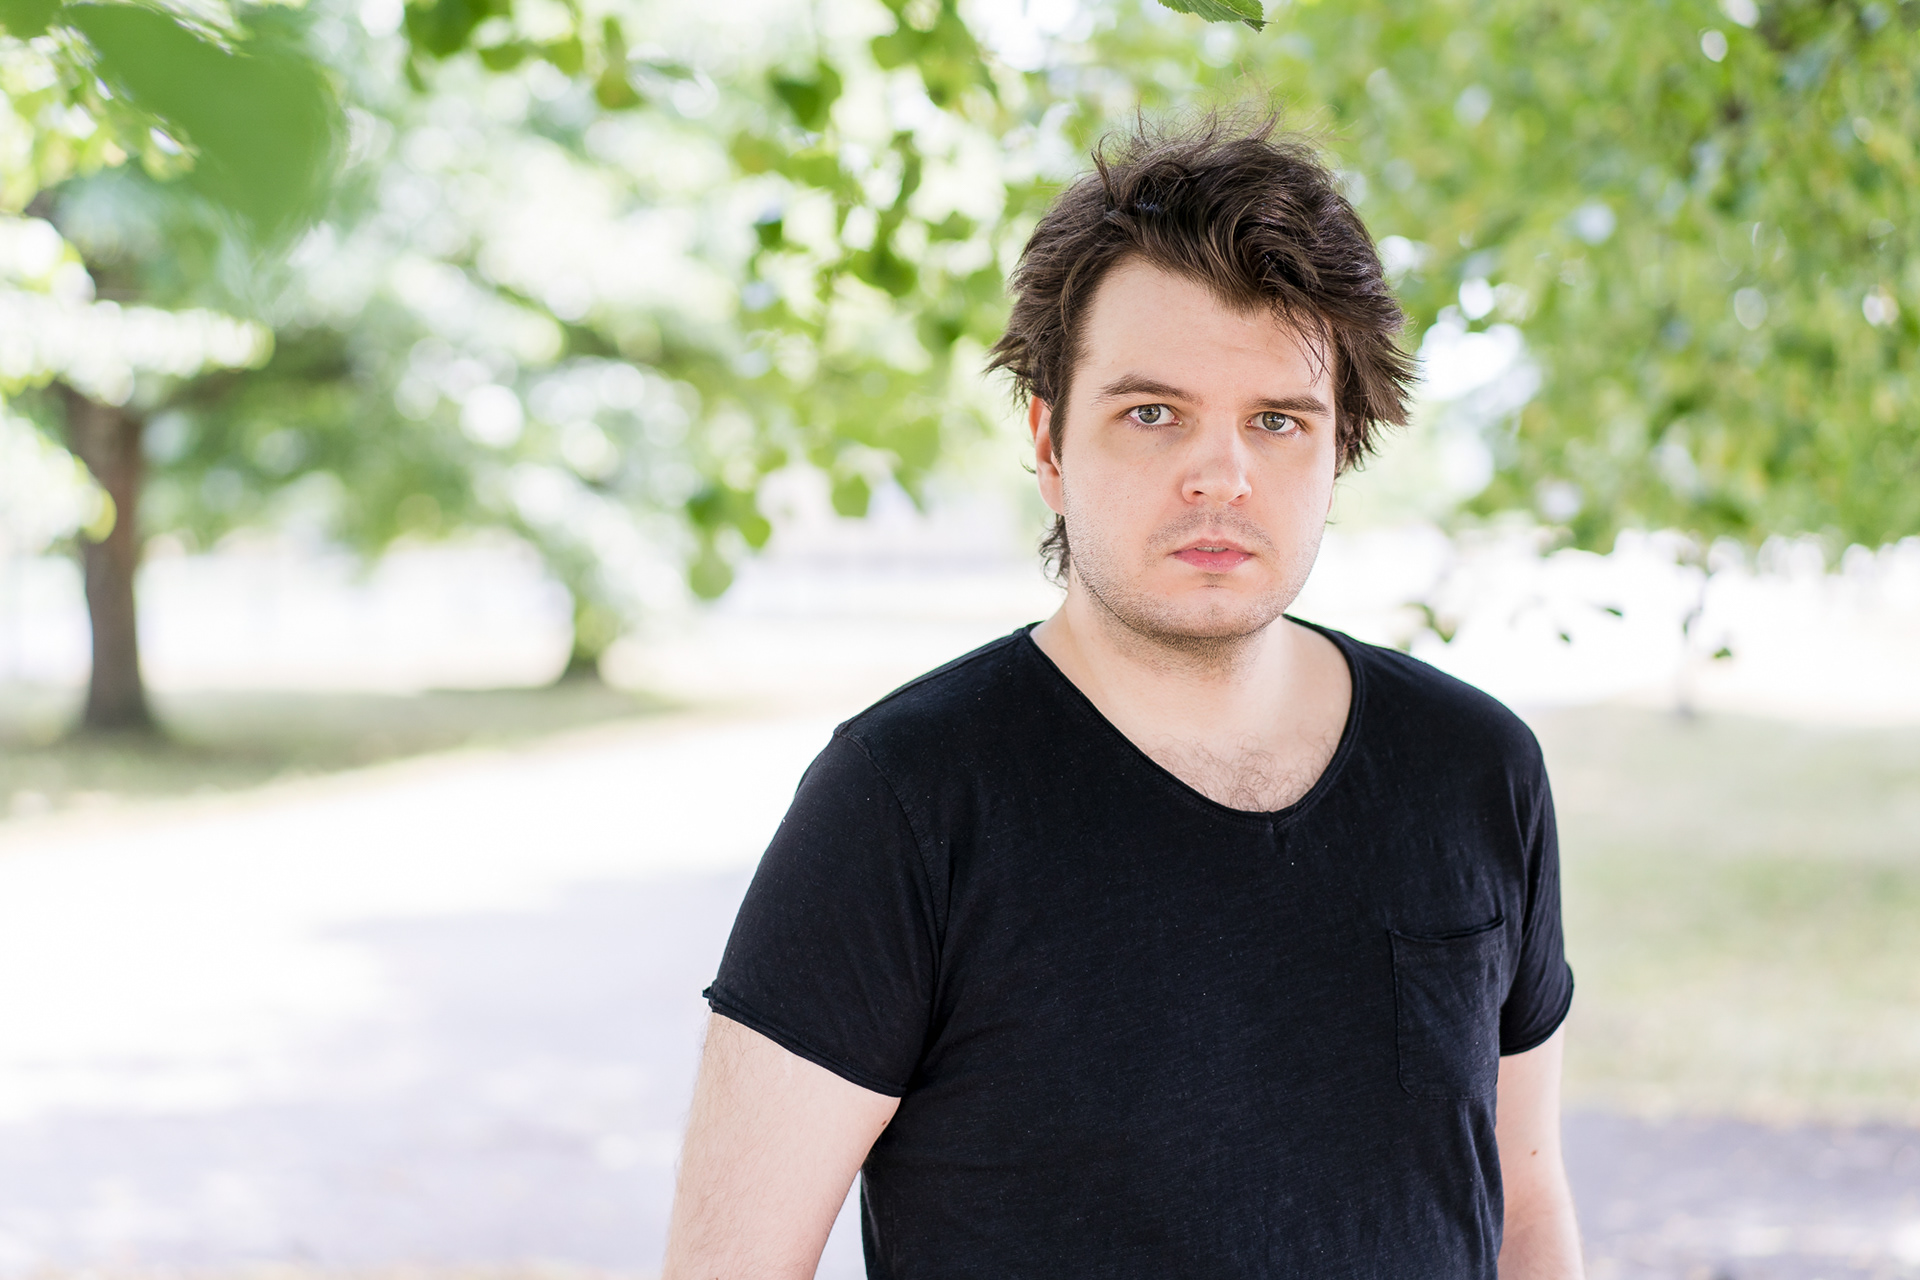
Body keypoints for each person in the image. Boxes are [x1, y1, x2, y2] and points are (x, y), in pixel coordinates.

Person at [663, 115, 1582, 1279]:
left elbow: (1525, 1200)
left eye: (1277, 420)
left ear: (1339, 445)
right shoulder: (904, 801)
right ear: (1050, 442)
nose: (1221, 474)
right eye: (1153, 412)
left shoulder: (1477, 767)